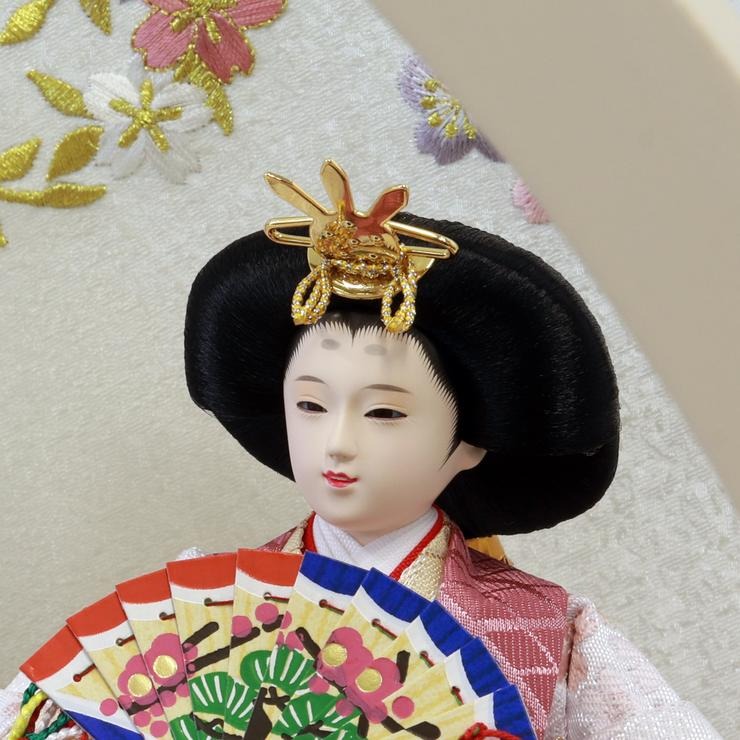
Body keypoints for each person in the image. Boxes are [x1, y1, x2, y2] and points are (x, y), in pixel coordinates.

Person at [182, 161, 719, 738]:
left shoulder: (546, 627)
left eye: (384, 412)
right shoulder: (203, 605)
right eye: (311, 405)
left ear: (469, 443)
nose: (336, 443)